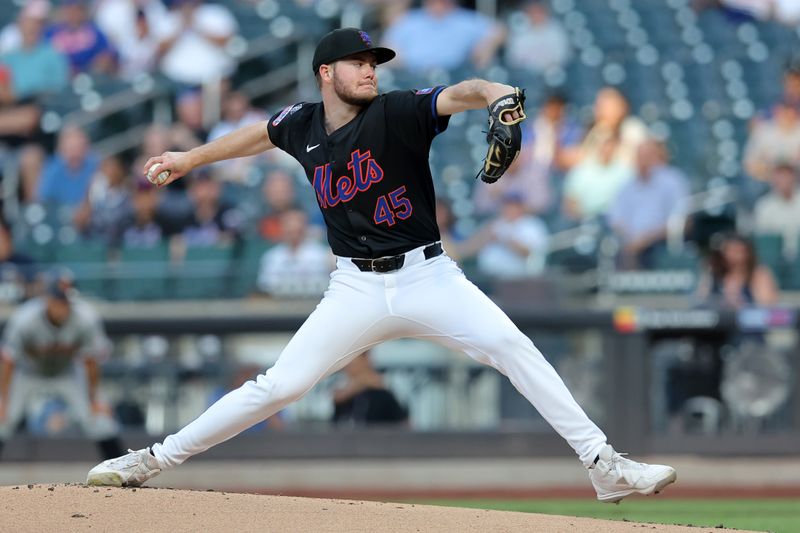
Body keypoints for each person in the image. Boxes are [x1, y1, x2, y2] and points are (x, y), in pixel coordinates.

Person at [86, 27, 676, 503]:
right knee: (278, 386)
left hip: (429, 276)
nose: (370, 69)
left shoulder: (397, 111)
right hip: (354, 288)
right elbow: (256, 136)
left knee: (512, 346)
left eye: (375, 61)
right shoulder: (301, 124)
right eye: (358, 61)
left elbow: (465, 91)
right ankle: (151, 460)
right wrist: (191, 157)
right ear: (327, 72)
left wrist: (498, 94)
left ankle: (603, 465)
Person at [0, 278, 123, 460]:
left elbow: (90, 361)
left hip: (67, 372)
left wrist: (95, 398)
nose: (63, 306)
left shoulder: (86, 318)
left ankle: (120, 470)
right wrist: (3, 399)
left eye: (66, 301)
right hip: (28, 373)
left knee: (99, 420)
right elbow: (9, 361)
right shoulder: (24, 319)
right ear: (47, 299)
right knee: (3, 420)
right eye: (58, 300)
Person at [607, 139, 690, 270]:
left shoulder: (672, 181)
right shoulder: (625, 186)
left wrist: (645, 240)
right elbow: (616, 220)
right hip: (629, 245)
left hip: (660, 244)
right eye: (640, 156)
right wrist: (632, 241)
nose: (643, 161)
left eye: (648, 156)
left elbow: (680, 220)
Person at [256, 208, 333, 298]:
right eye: (290, 230)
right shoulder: (272, 256)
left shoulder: (321, 254)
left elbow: (328, 284)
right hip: (279, 305)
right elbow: (265, 286)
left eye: (297, 230)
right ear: (282, 228)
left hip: (315, 302)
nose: (293, 232)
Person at [332, 351, 408, 427]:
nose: (347, 365)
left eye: (351, 360)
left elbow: (403, 424)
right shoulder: (342, 397)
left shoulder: (382, 394)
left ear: (366, 359)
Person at [753, 164, 800, 259]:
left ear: (794, 178)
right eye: (780, 177)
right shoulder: (764, 206)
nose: (784, 181)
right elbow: (764, 239)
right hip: (775, 257)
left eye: (787, 177)